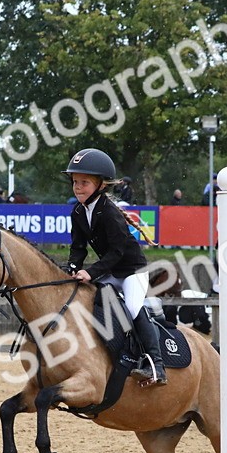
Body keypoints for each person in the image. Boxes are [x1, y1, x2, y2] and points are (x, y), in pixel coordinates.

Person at [65, 147, 166, 385]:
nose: (78, 187)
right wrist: (72, 267)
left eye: (84, 183)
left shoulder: (110, 213)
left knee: (131, 308)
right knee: (87, 299)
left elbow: (117, 252)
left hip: (132, 270)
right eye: (75, 182)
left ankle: (155, 364)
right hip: (110, 271)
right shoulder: (79, 211)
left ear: (100, 185)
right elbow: (78, 247)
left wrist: (90, 272)